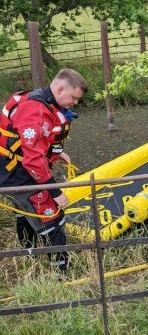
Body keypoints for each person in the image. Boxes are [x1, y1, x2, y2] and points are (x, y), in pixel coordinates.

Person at [0, 69, 86, 273]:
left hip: (11, 170)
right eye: (73, 98)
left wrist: (58, 152)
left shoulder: (41, 101)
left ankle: (29, 256)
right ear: (60, 88)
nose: (75, 103)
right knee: (53, 220)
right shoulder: (35, 109)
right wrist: (55, 192)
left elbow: (30, 139)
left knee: (24, 213)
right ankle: (62, 274)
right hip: (19, 176)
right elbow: (33, 160)